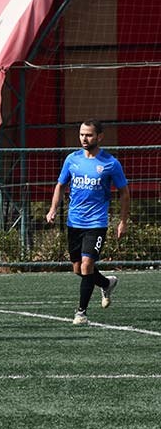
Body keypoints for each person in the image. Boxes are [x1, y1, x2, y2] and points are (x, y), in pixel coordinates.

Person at [46, 119, 130, 325]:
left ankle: (81, 313)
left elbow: (124, 192)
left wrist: (123, 221)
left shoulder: (110, 163)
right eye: (82, 134)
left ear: (99, 137)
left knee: (87, 265)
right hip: (74, 222)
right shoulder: (72, 159)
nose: (84, 138)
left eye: (89, 135)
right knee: (78, 269)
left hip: (96, 223)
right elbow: (60, 185)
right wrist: (53, 209)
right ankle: (106, 283)